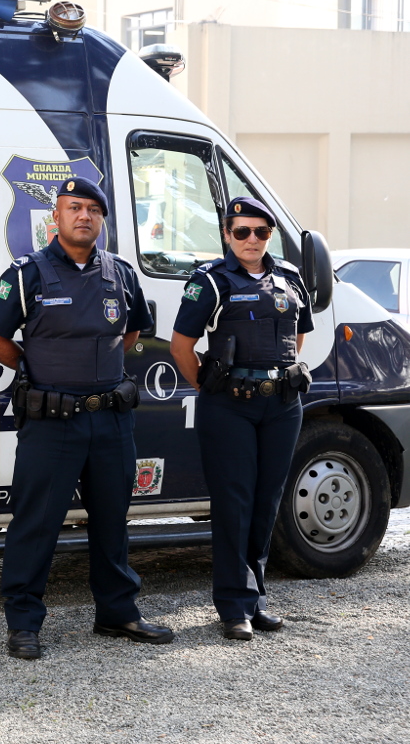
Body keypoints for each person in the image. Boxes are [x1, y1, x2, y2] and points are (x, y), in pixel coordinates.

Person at [0, 176, 174, 660]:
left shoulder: (122, 274)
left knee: (112, 521)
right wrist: (37, 368)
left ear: (102, 220)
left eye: (92, 209)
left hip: (110, 420)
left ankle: (117, 612)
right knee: (36, 523)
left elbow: (131, 334)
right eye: (73, 208)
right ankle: (23, 623)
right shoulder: (28, 274)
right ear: (56, 217)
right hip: (52, 421)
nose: (84, 216)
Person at [169, 197, 314, 641]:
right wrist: (212, 389)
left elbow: (300, 334)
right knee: (234, 504)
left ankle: (255, 599)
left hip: (282, 405)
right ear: (227, 236)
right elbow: (180, 346)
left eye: (261, 232)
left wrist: (274, 379)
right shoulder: (211, 282)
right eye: (242, 232)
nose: (252, 240)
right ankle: (233, 607)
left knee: (268, 500)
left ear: (269, 236)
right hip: (229, 406)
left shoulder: (289, 277)